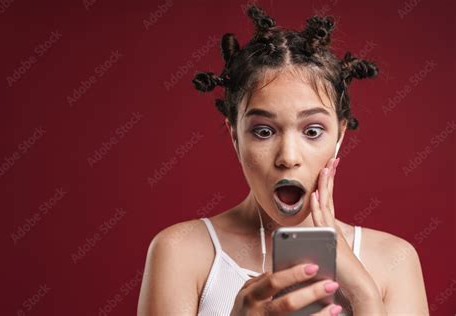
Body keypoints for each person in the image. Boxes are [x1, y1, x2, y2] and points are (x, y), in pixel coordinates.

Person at [137, 4, 429, 315]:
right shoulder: (180, 251)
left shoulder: (394, 260)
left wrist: (364, 294)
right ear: (234, 135)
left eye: (313, 131)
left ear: (339, 136)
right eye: (263, 131)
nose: (288, 157)